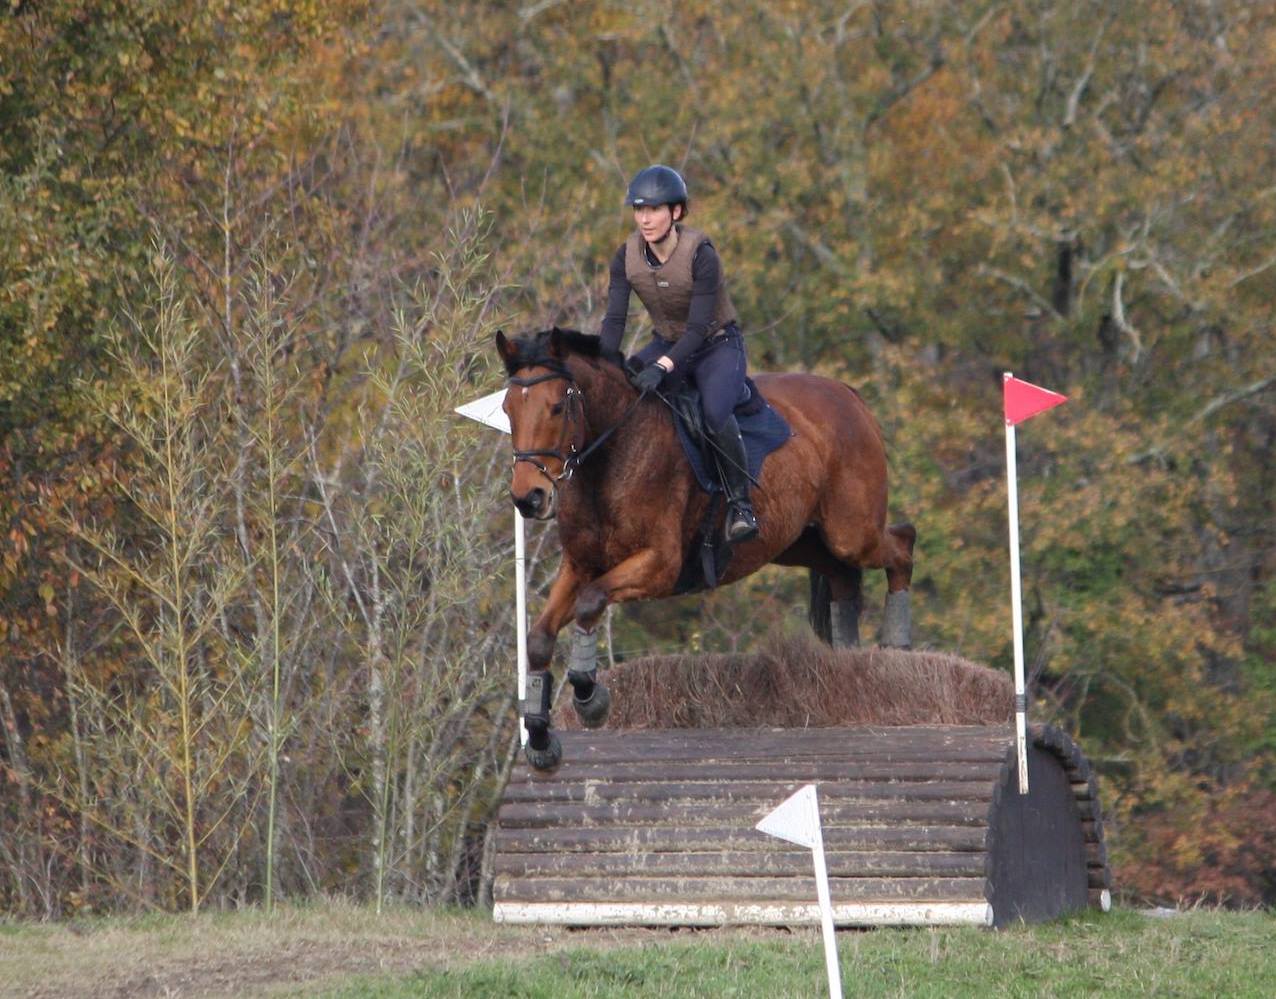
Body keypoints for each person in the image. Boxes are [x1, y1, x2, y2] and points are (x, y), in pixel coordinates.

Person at [599, 164, 759, 543]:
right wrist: (602, 364)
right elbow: (614, 320)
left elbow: (699, 329)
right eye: (639, 210)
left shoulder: (701, 255)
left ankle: (741, 506)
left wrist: (663, 366)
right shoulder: (625, 258)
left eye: (654, 210)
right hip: (667, 342)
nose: (645, 218)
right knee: (624, 396)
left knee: (714, 412)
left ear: (676, 213)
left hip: (715, 345)